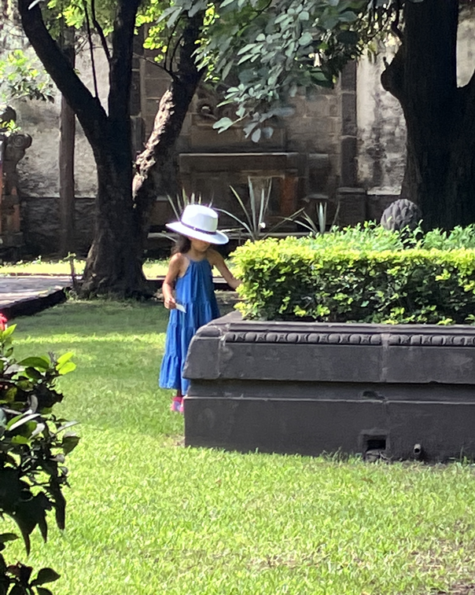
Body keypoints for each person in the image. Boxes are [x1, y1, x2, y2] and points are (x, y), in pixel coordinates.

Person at [159, 204, 240, 412]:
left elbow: (231, 280)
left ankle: (203, 389)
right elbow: (167, 283)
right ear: (189, 236)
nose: (204, 242)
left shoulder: (212, 257)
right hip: (184, 316)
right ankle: (181, 396)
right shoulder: (179, 259)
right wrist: (168, 298)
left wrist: (252, 290)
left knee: (206, 347)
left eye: (208, 238)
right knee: (183, 349)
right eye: (200, 237)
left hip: (206, 312)